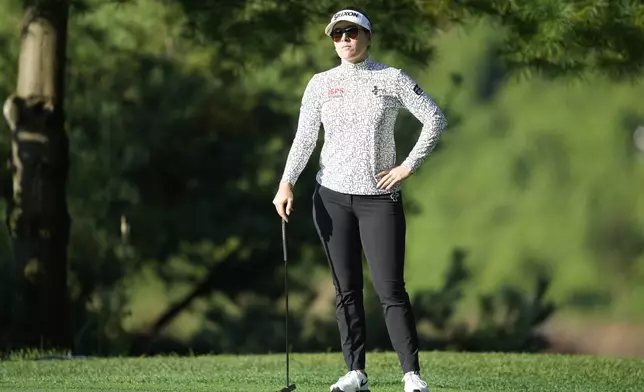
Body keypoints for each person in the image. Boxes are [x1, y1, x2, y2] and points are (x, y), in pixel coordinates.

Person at [272, 6, 447, 392]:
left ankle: (411, 376)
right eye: (338, 34)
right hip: (331, 197)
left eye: (352, 32)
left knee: (391, 289)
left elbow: (435, 118)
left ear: (368, 37)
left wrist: (408, 166)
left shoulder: (391, 79)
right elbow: (304, 139)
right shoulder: (320, 84)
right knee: (345, 290)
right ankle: (356, 372)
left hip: (379, 199)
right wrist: (286, 183)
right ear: (332, 41)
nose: (345, 40)